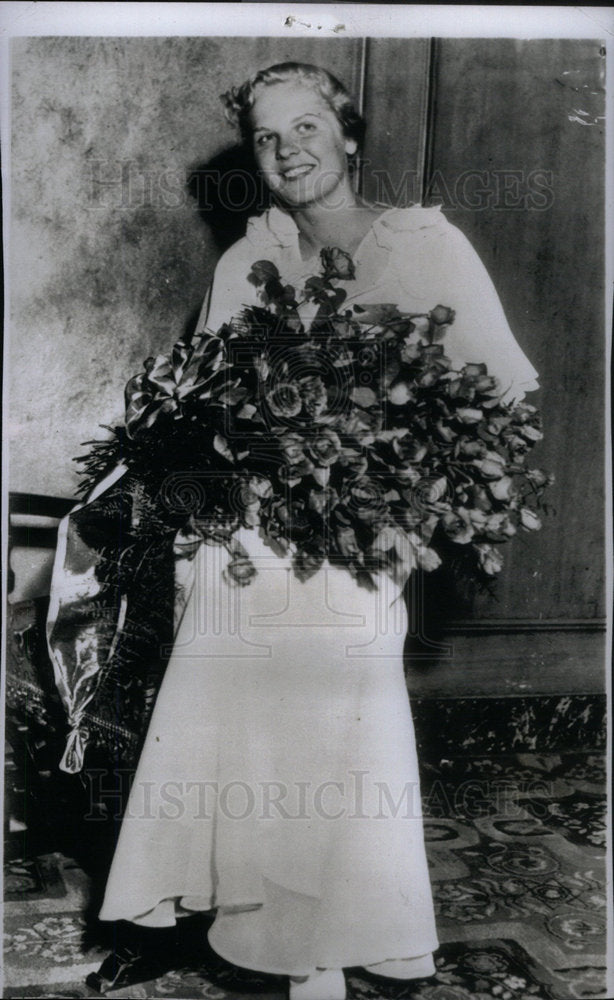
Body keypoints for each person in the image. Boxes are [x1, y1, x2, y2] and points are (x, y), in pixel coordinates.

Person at [95, 63, 539, 1000]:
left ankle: (340, 938)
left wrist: (404, 472)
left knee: (342, 735)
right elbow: (204, 405)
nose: (289, 149)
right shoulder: (241, 259)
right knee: (247, 741)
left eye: (307, 127)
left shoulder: (424, 245)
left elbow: (502, 387)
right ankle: (282, 942)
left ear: (347, 132)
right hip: (248, 546)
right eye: (267, 137)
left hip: (356, 541)